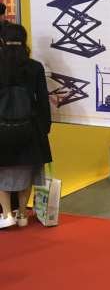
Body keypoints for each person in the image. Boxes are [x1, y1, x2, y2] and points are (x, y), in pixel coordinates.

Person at [0, 23, 52, 229]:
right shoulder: (35, 67)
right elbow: (43, 101)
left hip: (2, 128)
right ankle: (22, 214)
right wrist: (44, 128)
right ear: (24, 42)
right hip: (30, 127)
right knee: (27, 169)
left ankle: (6, 214)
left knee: (1, 170)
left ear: (2, 41)